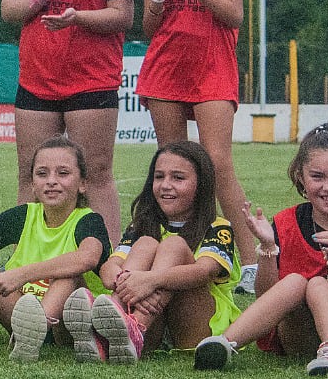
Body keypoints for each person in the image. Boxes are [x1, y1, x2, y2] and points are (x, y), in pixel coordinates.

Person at [138, 0, 256, 290]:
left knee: (217, 162)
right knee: (173, 168)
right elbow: (148, 30)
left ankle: (252, 262)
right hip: (165, 71)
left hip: (212, 69)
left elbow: (234, 16)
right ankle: (184, 259)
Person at [1, 0, 134, 242]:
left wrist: (78, 17)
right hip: (36, 81)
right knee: (31, 174)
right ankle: (27, 252)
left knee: (96, 174)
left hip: (91, 82)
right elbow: (8, 10)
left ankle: (107, 257)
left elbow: (123, 15)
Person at [64, 141, 239, 365]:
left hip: (197, 327)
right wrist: (128, 281)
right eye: (159, 177)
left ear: (201, 184)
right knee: (146, 243)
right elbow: (108, 269)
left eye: (178, 178)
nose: (165, 185)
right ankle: (117, 328)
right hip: (154, 331)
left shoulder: (217, 226)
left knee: (173, 246)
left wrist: (150, 280)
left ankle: (132, 327)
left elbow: (204, 271)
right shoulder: (142, 225)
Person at [195, 123, 328, 375]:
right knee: (295, 282)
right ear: (301, 177)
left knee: (318, 285)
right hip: (299, 335)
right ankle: (224, 344)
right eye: (317, 176)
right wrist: (268, 247)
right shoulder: (286, 222)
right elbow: (266, 295)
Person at [0, 135, 110, 361]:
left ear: (83, 184)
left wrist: (22, 274)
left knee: (69, 273)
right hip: (20, 315)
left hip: (68, 325)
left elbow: (87, 258)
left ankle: (34, 330)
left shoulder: (89, 220)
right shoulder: (25, 215)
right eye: (42, 174)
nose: (51, 181)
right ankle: (27, 334)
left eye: (63, 173)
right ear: (33, 184)